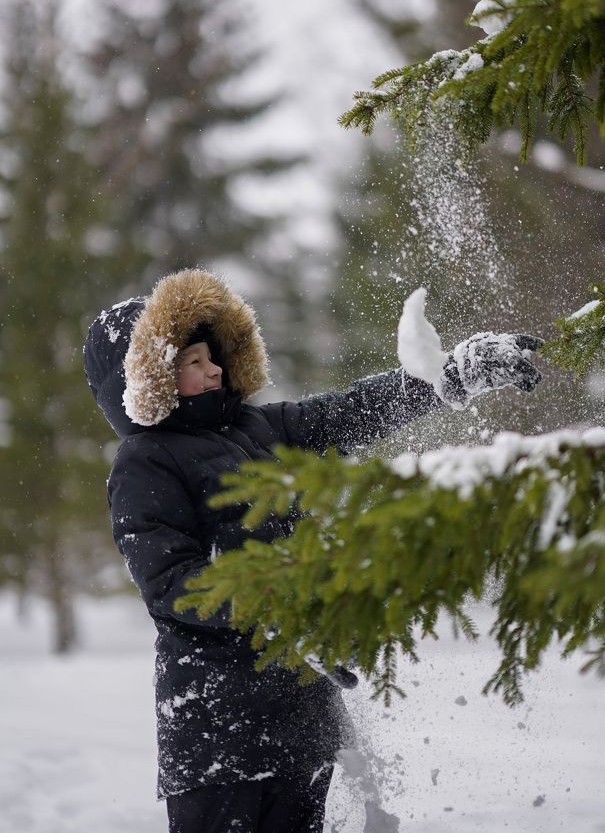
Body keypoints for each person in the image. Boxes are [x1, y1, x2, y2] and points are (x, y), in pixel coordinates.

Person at [83, 267, 542, 833]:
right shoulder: (145, 461)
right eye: (192, 361)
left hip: (301, 716)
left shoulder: (257, 428)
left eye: (211, 355)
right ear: (148, 380)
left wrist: (451, 376)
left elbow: (348, 411)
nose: (214, 368)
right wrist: (275, 612)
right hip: (218, 726)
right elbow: (172, 583)